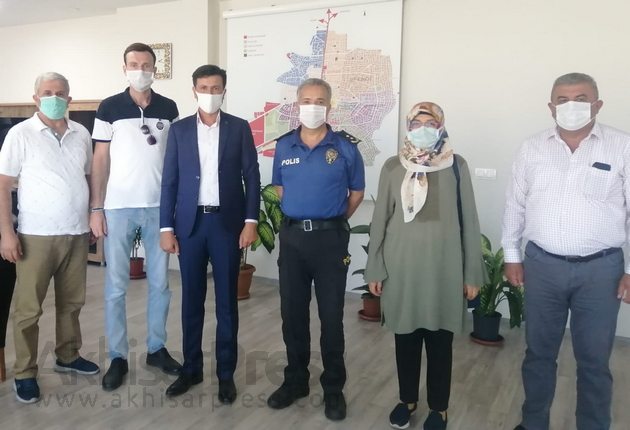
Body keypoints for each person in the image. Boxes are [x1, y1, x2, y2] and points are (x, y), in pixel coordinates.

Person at [502, 72, 630, 430]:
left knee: (594, 361)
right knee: (538, 354)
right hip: (542, 266)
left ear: (597, 104)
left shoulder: (622, 146)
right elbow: (515, 203)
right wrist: (512, 255)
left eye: (581, 98)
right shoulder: (532, 148)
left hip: (601, 271)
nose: (571, 106)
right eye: (562, 100)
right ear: (551, 107)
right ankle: (533, 423)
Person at [364, 102, 485, 430]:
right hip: (401, 268)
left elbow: (470, 221)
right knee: (405, 338)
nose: (422, 128)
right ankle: (407, 400)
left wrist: (472, 274)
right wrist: (375, 267)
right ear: (408, 127)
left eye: (430, 122)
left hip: (444, 269)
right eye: (416, 123)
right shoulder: (393, 166)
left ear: (441, 126)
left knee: (439, 341)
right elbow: (380, 220)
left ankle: (439, 408)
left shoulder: (456, 165)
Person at [159, 64, 260, 402]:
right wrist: (166, 227)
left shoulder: (239, 128)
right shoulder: (179, 130)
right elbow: (170, 181)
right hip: (190, 227)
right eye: (204, 88)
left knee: (227, 303)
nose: (210, 93)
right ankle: (191, 369)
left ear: (224, 91)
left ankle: (225, 375)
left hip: (226, 225)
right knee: (191, 301)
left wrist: (250, 221)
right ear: (194, 91)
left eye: (216, 88)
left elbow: (252, 176)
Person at [267, 78, 365, 421]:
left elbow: (356, 193)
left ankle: (333, 388)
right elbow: (280, 188)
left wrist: (330, 220)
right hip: (293, 240)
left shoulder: (346, 148)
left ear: (329, 105)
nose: (313, 106)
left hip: (330, 241)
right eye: (306, 100)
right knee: (292, 314)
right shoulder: (284, 146)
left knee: (331, 317)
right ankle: (295, 381)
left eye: (320, 100)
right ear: (297, 105)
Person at [0, 72, 99, 403]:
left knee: (72, 303)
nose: (54, 98)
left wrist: (93, 214)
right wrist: (6, 233)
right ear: (36, 98)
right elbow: (2, 185)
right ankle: (25, 373)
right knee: (29, 310)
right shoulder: (20, 134)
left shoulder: (81, 133)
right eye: (47, 92)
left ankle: (68, 355)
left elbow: (88, 177)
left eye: (60, 93)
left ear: (69, 99)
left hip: (76, 232)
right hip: (35, 236)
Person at [90, 42, 181, 391]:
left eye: (146, 65)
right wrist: (96, 208)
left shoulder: (168, 108)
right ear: (124, 67)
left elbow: (175, 158)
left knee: (160, 284)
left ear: (154, 69)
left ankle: (156, 348)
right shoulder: (109, 107)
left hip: (159, 207)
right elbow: (100, 159)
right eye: (134, 64)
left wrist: (176, 208)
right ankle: (118, 356)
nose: (140, 70)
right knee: (115, 286)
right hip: (118, 207)